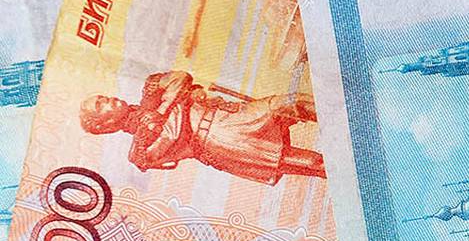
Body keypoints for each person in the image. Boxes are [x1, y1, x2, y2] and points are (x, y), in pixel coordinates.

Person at [79, 70, 324, 185]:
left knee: (291, 103)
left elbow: (180, 77)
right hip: (222, 144)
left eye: (102, 97)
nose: (108, 99)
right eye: (101, 105)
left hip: (229, 114)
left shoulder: (150, 91)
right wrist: (180, 102)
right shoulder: (139, 152)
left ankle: (343, 113)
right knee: (310, 162)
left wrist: (161, 110)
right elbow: (173, 135)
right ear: (106, 125)